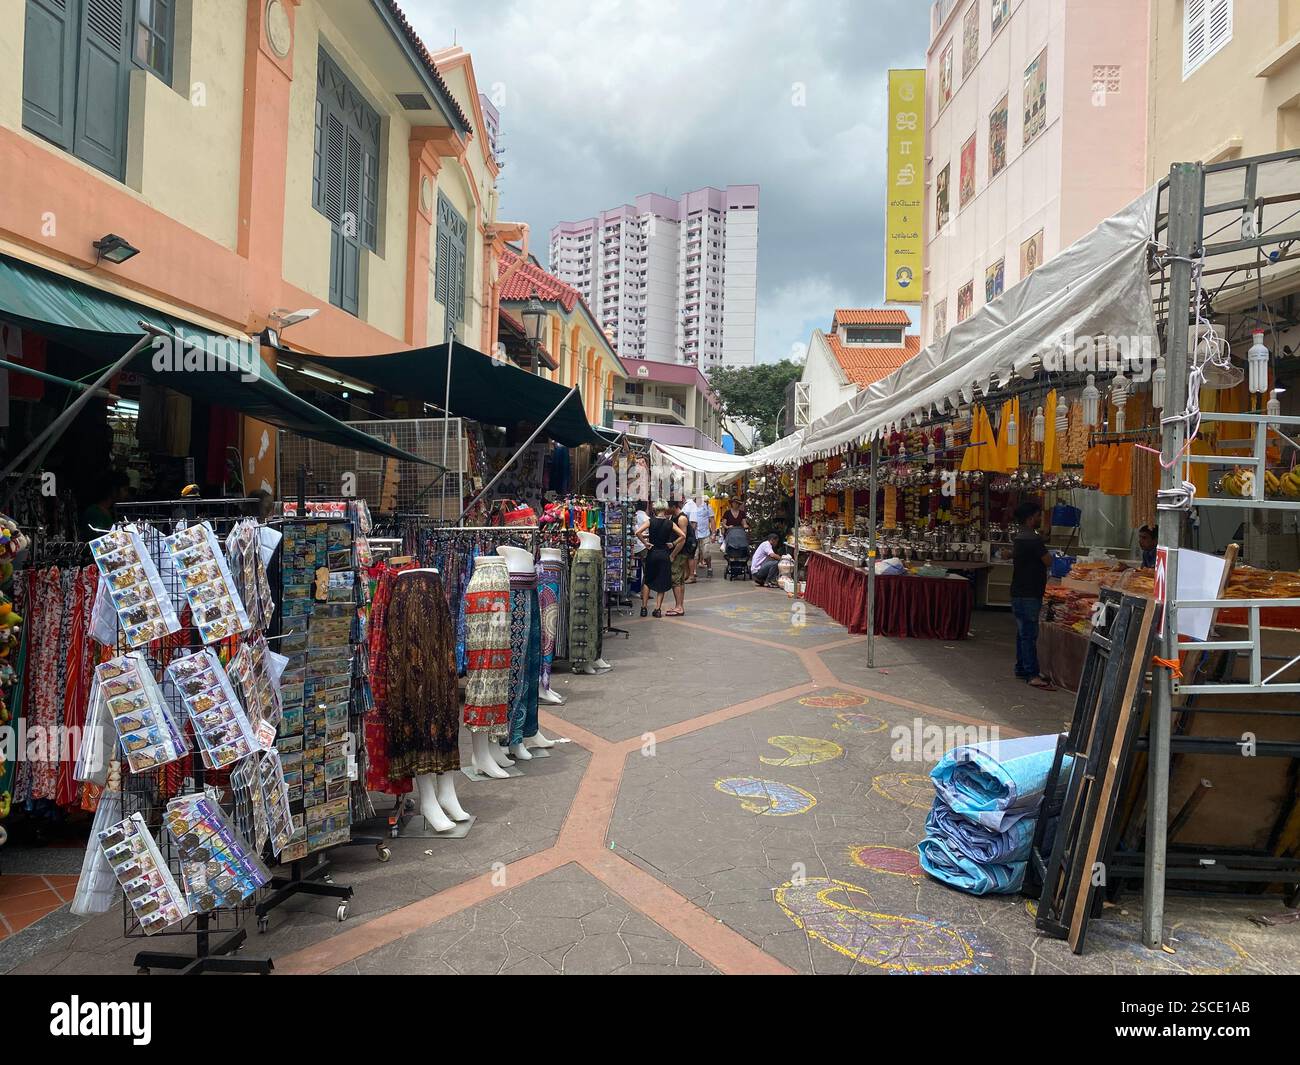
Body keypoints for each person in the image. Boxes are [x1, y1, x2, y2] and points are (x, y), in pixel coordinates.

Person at [1010, 500, 1055, 690]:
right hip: (1030, 592)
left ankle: (1022, 667)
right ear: (1030, 519)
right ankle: (1032, 674)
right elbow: (1048, 561)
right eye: (1037, 516)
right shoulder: (1034, 540)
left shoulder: (1019, 538)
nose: (1039, 519)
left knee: (1022, 633)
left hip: (1018, 591)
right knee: (1029, 634)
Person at [636, 500, 684, 618]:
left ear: (655, 509)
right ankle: (657, 609)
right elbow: (683, 535)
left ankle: (644, 608)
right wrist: (673, 544)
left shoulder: (650, 521)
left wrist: (645, 543)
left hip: (652, 554)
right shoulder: (670, 523)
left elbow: (637, 532)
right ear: (665, 509)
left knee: (648, 580)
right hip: (664, 554)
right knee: (661, 581)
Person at [82, 470, 129, 539]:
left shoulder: (107, 510)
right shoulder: (95, 512)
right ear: (114, 489)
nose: (127, 494)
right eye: (125, 489)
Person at [666, 499, 693, 615]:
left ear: (673, 506)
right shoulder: (673, 517)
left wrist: (673, 554)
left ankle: (679, 607)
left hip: (680, 553)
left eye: (667, 507)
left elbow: (683, 539)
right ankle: (679, 605)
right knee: (680, 580)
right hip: (679, 553)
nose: (666, 509)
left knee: (675, 579)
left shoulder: (681, 518)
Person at [684, 493, 713, 581]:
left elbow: (712, 519)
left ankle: (709, 568)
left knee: (706, 552)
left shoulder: (707, 506)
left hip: (705, 533)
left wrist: (714, 533)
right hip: (694, 535)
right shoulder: (688, 506)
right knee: (695, 554)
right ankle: (694, 571)